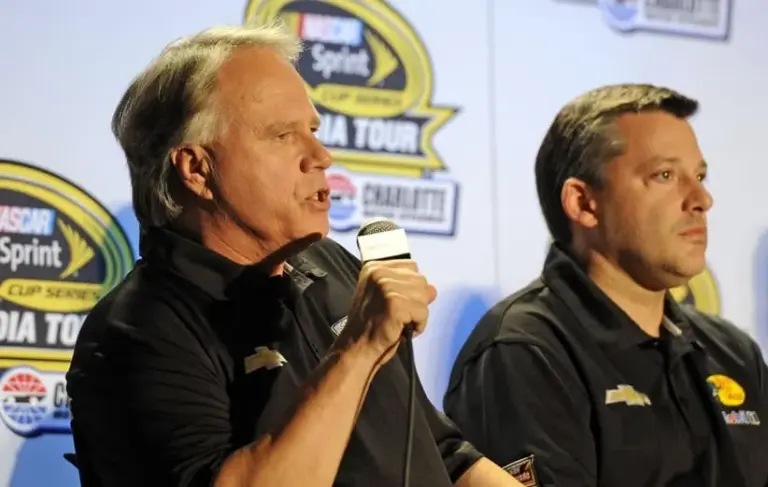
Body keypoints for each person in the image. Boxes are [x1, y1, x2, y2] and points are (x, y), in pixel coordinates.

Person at [65, 22, 522, 487]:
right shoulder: (137, 333)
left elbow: (441, 452)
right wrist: (359, 349)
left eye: (313, 130)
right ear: (197, 169)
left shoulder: (332, 265)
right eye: (283, 136)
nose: (321, 155)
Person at [444, 84, 768, 487]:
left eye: (699, 175)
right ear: (583, 203)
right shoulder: (523, 351)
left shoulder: (733, 353)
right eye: (665, 175)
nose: (702, 198)